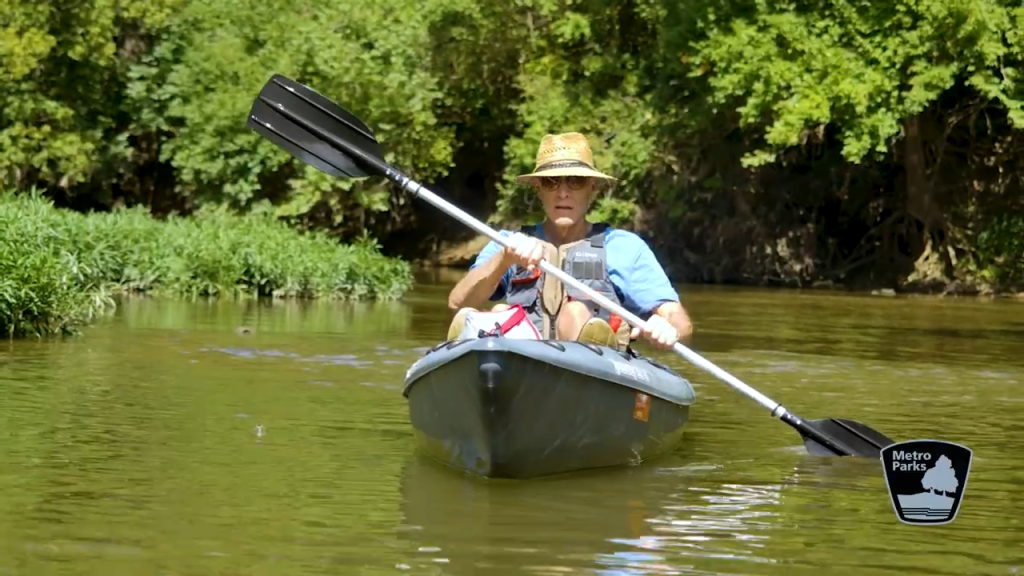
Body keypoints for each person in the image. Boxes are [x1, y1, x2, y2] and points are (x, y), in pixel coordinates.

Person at [446, 132, 693, 352]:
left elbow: (678, 319)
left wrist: (668, 326)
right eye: (551, 182)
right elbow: (458, 303)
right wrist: (504, 259)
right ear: (538, 189)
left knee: (574, 313)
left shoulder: (624, 247)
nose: (563, 192)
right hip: (522, 367)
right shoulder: (509, 244)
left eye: (575, 181)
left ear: (592, 188)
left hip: (596, 371)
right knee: (493, 314)